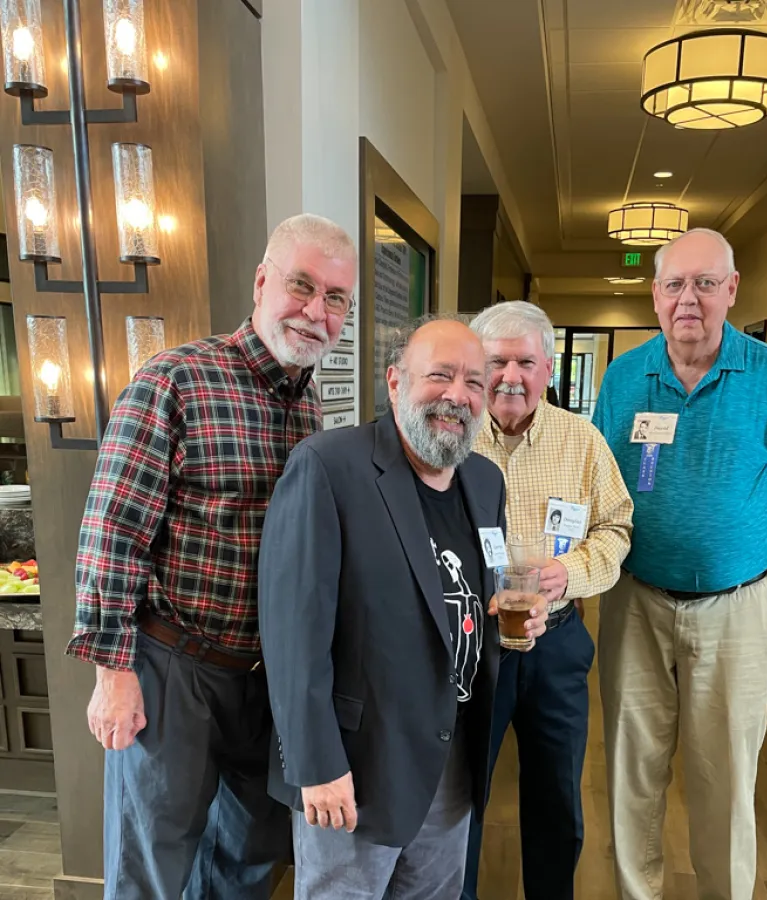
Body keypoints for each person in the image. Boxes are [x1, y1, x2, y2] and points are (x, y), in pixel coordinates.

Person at [67, 214, 358, 900]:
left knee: (250, 862)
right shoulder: (176, 379)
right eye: (301, 286)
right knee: (151, 870)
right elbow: (113, 529)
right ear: (262, 282)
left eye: (335, 298)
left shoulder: (309, 406)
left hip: (265, 681)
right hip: (175, 671)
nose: (316, 311)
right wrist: (114, 674)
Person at [258, 317, 550, 900]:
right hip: (359, 767)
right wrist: (315, 763)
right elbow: (292, 633)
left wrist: (515, 619)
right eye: (438, 375)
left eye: (474, 381)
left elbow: (470, 595)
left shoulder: (484, 480)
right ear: (395, 383)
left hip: (452, 758)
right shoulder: (329, 467)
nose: (457, 395)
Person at [592, 228, 767, 900]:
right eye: (673, 284)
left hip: (738, 610)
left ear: (732, 290)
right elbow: (592, 487)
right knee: (631, 776)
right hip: (634, 603)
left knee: (725, 784)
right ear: (655, 296)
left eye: (705, 283)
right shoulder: (624, 376)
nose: (688, 299)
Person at [463, 301, 634, 900]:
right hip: (469, 644)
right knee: (461, 793)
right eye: (497, 361)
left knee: (557, 797)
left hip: (557, 643)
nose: (511, 375)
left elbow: (616, 527)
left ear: (548, 368)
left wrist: (569, 571)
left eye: (526, 361)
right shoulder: (450, 434)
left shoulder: (581, 441)